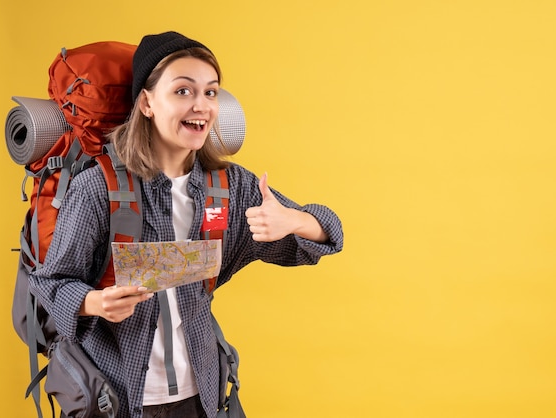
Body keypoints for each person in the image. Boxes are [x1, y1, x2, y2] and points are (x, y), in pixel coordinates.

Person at [29, 31, 343, 418]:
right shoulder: (98, 186)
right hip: (115, 393)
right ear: (146, 102)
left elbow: (331, 234)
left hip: (201, 394)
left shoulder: (232, 186)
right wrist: (94, 302)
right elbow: (50, 283)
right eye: (183, 91)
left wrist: (294, 220)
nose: (202, 106)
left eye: (211, 92)